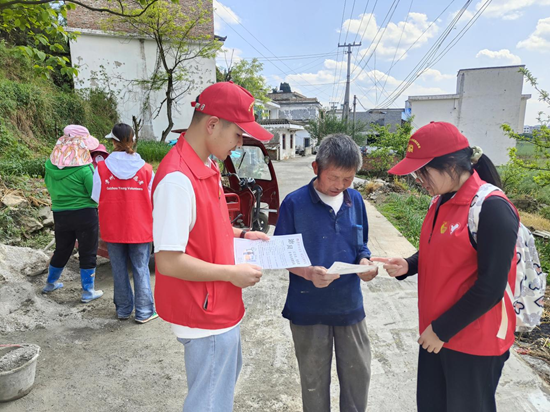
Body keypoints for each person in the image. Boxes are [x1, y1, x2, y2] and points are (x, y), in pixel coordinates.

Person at [372, 121, 518, 412]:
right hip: (435, 334)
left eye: (423, 171)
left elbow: (491, 287)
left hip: (473, 341)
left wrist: (441, 330)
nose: (418, 179)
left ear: (451, 165)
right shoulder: (439, 201)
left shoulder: (491, 208)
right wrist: (408, 265)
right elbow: (437, 251)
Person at [152, 82, 272, 412]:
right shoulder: (177, 179)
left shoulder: (205, 165)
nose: (240, 143)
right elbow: (168, 261)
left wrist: (243, 236)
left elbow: (206, 227)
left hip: (216, 304)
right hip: (204, 311)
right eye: (237, 134)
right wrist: (232, 273)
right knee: (209, 403)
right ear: (213, 124)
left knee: (218, 390)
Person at [274, 134, 378, 412]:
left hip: (349, 306)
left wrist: (365, 263)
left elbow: (361, 245)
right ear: (316, 168)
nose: (340, 186)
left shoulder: (354, 201)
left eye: (348, 179)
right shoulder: (294, 204)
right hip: (308, 308)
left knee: (358, 378)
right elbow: (280, 254)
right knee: (313, 382)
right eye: (334, 177)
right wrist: (307, 273)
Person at [91, 123, 157, 324]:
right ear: (132, 140)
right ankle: (144, 311)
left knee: (118, 268)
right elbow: (153, 198)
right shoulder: (146, 169)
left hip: (113, 227)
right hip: (140, 228)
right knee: (140, 268)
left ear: (113, 141)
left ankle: (123, 309)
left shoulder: (101, 168)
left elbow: (95, 197)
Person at [42, 124, 103, 303]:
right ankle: (87, 291)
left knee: (62, 248)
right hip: (85, 214)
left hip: (60, 214)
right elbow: (95, 195)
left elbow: (49, 186)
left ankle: (50, 283)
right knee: (87, 250)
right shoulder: (85, 169)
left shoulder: (49, 165)